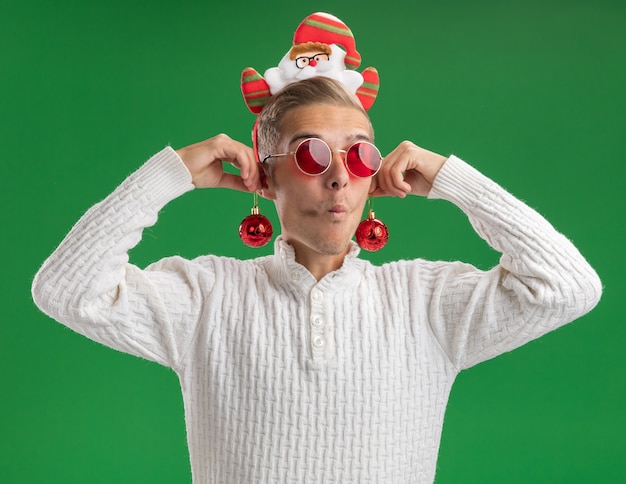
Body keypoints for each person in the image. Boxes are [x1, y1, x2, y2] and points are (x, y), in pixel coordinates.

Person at [32, 75, 602, 483]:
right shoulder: (205, 298)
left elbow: (568, 286)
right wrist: (171, 174)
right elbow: (65, 290)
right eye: (309, 154)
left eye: (358, 157)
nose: (338, 178)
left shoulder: (425, 302)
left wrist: (453, 180)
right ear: (264, 173)